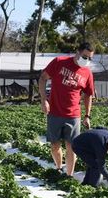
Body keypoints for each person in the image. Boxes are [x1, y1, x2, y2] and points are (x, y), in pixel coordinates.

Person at [38, 42, 95, 177]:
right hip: (55, 112)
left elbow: (88, 95)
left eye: (90, 58)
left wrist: (87, 115)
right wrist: (43, 100)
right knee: (54, 146)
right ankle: (58, 168)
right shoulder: (59, 62)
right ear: (77, 52)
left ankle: (69, 176)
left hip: (73, 115)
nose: (87, 60)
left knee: (71, 147)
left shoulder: (87, 73)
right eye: (85, 56)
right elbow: (42, 78)